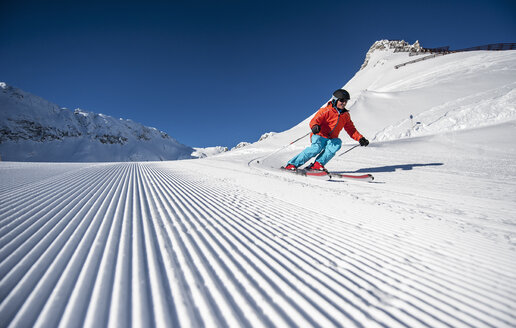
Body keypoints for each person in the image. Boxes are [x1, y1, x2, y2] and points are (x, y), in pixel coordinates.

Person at [284, 89, 369, 171]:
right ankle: (292, 164)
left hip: (331, 138)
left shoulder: (345, 115)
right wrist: (315, 126)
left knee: (337, 143)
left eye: (346, 101)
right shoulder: (326, 110)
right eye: (342, 100)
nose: (344, 103)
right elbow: (315, 120)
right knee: (316, 148)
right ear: (335, 100)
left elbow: (351, 129)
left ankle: (317, 165)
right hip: (319, 135)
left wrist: (360, 138)